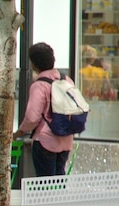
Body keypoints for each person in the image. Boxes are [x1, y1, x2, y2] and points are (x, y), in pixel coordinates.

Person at [13, 42, 74, 178]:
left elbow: (32, 118)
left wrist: (18, 133)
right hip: (65, 139)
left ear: (33, 64)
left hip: (45, 141)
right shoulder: (67, 80)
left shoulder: (39, 85)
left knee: (45, 185)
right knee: (59, 182)